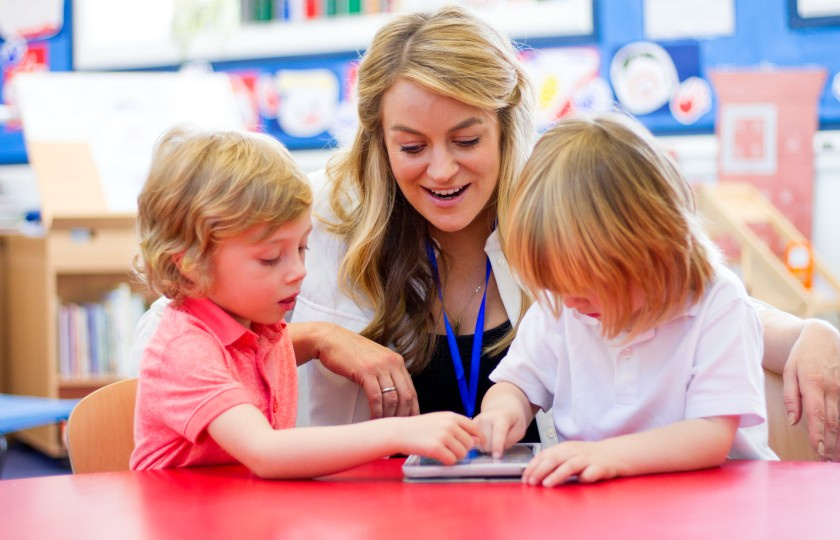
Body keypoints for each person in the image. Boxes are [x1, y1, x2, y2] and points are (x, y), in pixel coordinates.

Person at [130, 6, 840, 460]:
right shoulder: (315, 220)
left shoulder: (555, 205)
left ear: (507, 125)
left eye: (466, 139)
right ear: (377, 139)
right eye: (411, 147)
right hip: (361, 514)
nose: (440, 170)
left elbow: (681, 298)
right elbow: (173, 327)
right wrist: (316, 339)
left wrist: (813, 333)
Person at [130, 125, 481, 477]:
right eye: (270, 258)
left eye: (302, 248)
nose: (299, 271)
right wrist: (399, 434)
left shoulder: (261, 329)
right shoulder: (185, 347)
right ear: (190, 266)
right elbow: (266, 452)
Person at [475, 113, 777, 487]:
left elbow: (710, 436)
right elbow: (517, 384)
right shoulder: (563, 307)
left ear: (654, 249)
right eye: (557, 286)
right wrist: (503, 410)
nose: (570, 303)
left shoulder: (718, 304)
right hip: (604, 500)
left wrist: (607, 455)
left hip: (715, 501)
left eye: (585, 286)